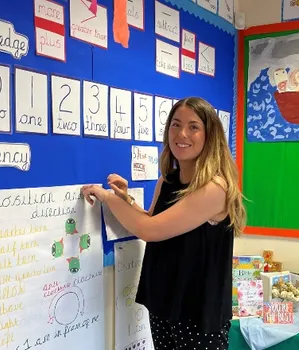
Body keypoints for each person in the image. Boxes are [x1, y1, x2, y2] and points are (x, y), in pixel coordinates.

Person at [82, 97, 246, 350]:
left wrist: (107, 197)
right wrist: (126, 199)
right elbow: (153, 220)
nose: (182, 134)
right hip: (164, 302)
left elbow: (150, 231)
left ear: (209, 135)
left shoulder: (214, 188)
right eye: (175, 124)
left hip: (198, 313)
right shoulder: (168, 180)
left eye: (193, 127)